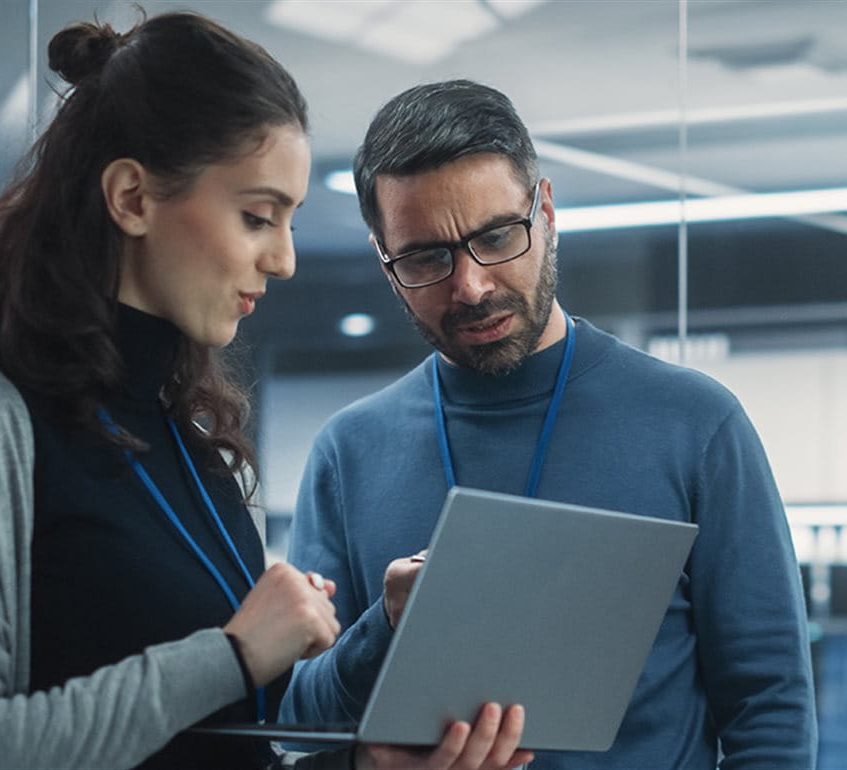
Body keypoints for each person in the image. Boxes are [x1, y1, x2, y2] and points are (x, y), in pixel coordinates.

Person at [0, 16, 531, 770]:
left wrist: (366, 767)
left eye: (288, 222)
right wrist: (233, 654)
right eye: (256, 217)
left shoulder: (198, 448)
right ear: (132, 198)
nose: (283, 260)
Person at [280, 79, 817, 769]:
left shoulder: (696, 424)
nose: (470, 286)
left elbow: (769, 708)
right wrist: (385, 627)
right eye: (425, 258)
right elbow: (300, 724)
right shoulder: (350, 452)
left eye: (496, 236)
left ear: (548, 212)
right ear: (386, 263)